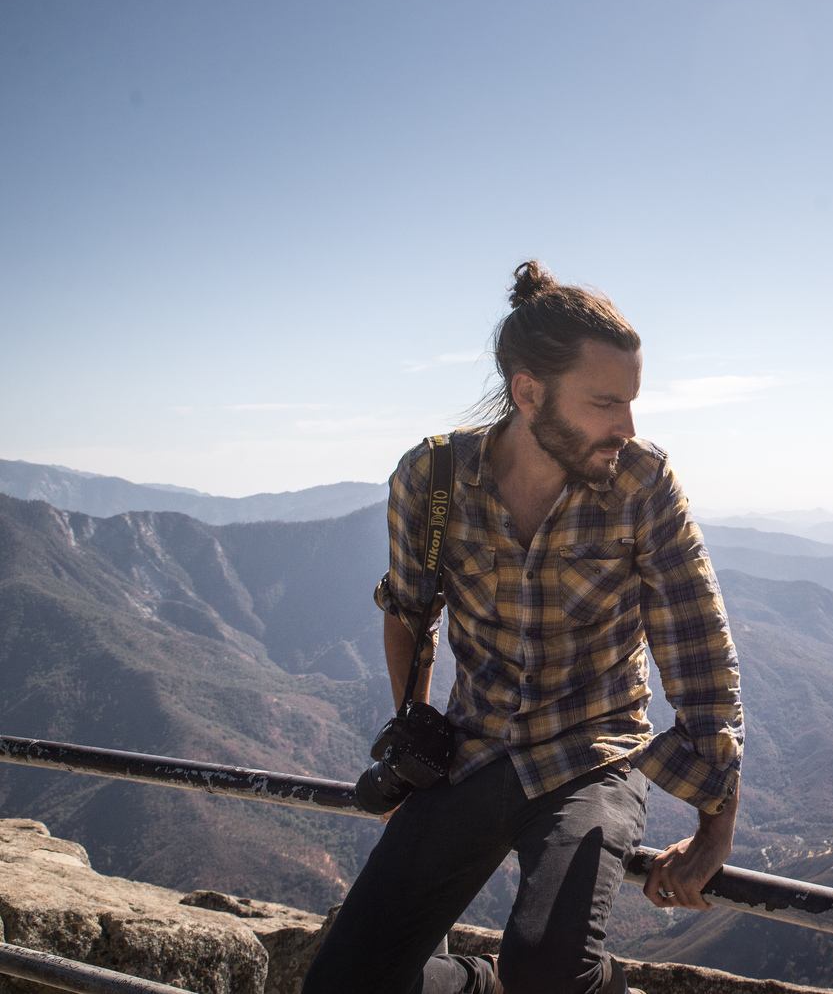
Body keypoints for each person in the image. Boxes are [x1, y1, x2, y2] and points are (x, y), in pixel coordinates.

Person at [302, 260, 744, 994]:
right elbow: (410, 614)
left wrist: (713, 828)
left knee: (546, 968)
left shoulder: (642, 484)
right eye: (605, 402)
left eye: (631, 402)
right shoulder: (433, 478)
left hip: (595, 753)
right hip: (476, 747)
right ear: (529, 392)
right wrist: (413, 735)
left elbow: (698, 654)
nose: (627, 427)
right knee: (343, 983)